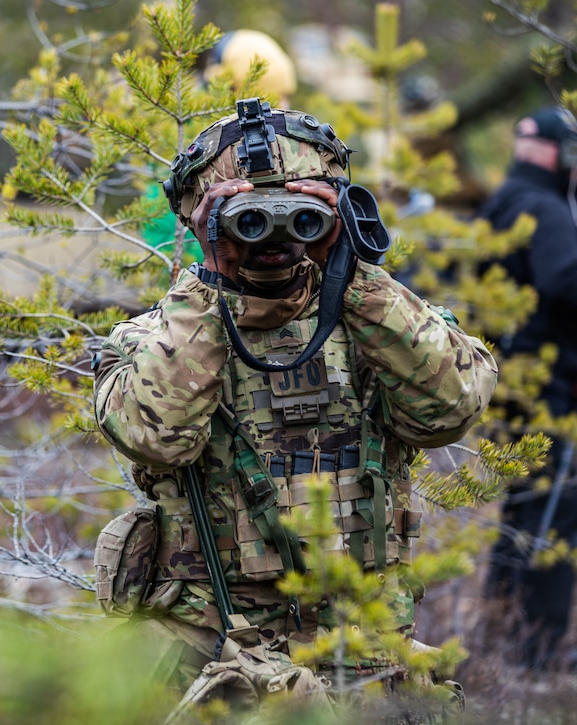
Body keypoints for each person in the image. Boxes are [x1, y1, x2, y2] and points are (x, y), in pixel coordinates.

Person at [93, 100, 498, 691]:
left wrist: (351, 271)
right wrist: (213, 279)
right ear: (202, 220)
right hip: (213, 653)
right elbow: (157, 439)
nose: (274, 236)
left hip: (361, 649)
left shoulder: (374, 324)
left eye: (300, 213)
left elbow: (454, 408)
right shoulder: (153, 342)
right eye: (248, 217)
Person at [480, 105, 577, 670]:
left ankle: (502, 626)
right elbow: (565, 280)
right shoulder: (543, 207)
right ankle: (536, 653)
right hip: (547, 389)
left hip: (513, 383)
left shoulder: (508, 198)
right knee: (551, 515)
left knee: (523, 512)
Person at [142, 29, 298, 271]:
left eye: (284, 96)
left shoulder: (288, 137)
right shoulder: (193, 143)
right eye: (271, 97)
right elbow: (161, 225)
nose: (283, 107)